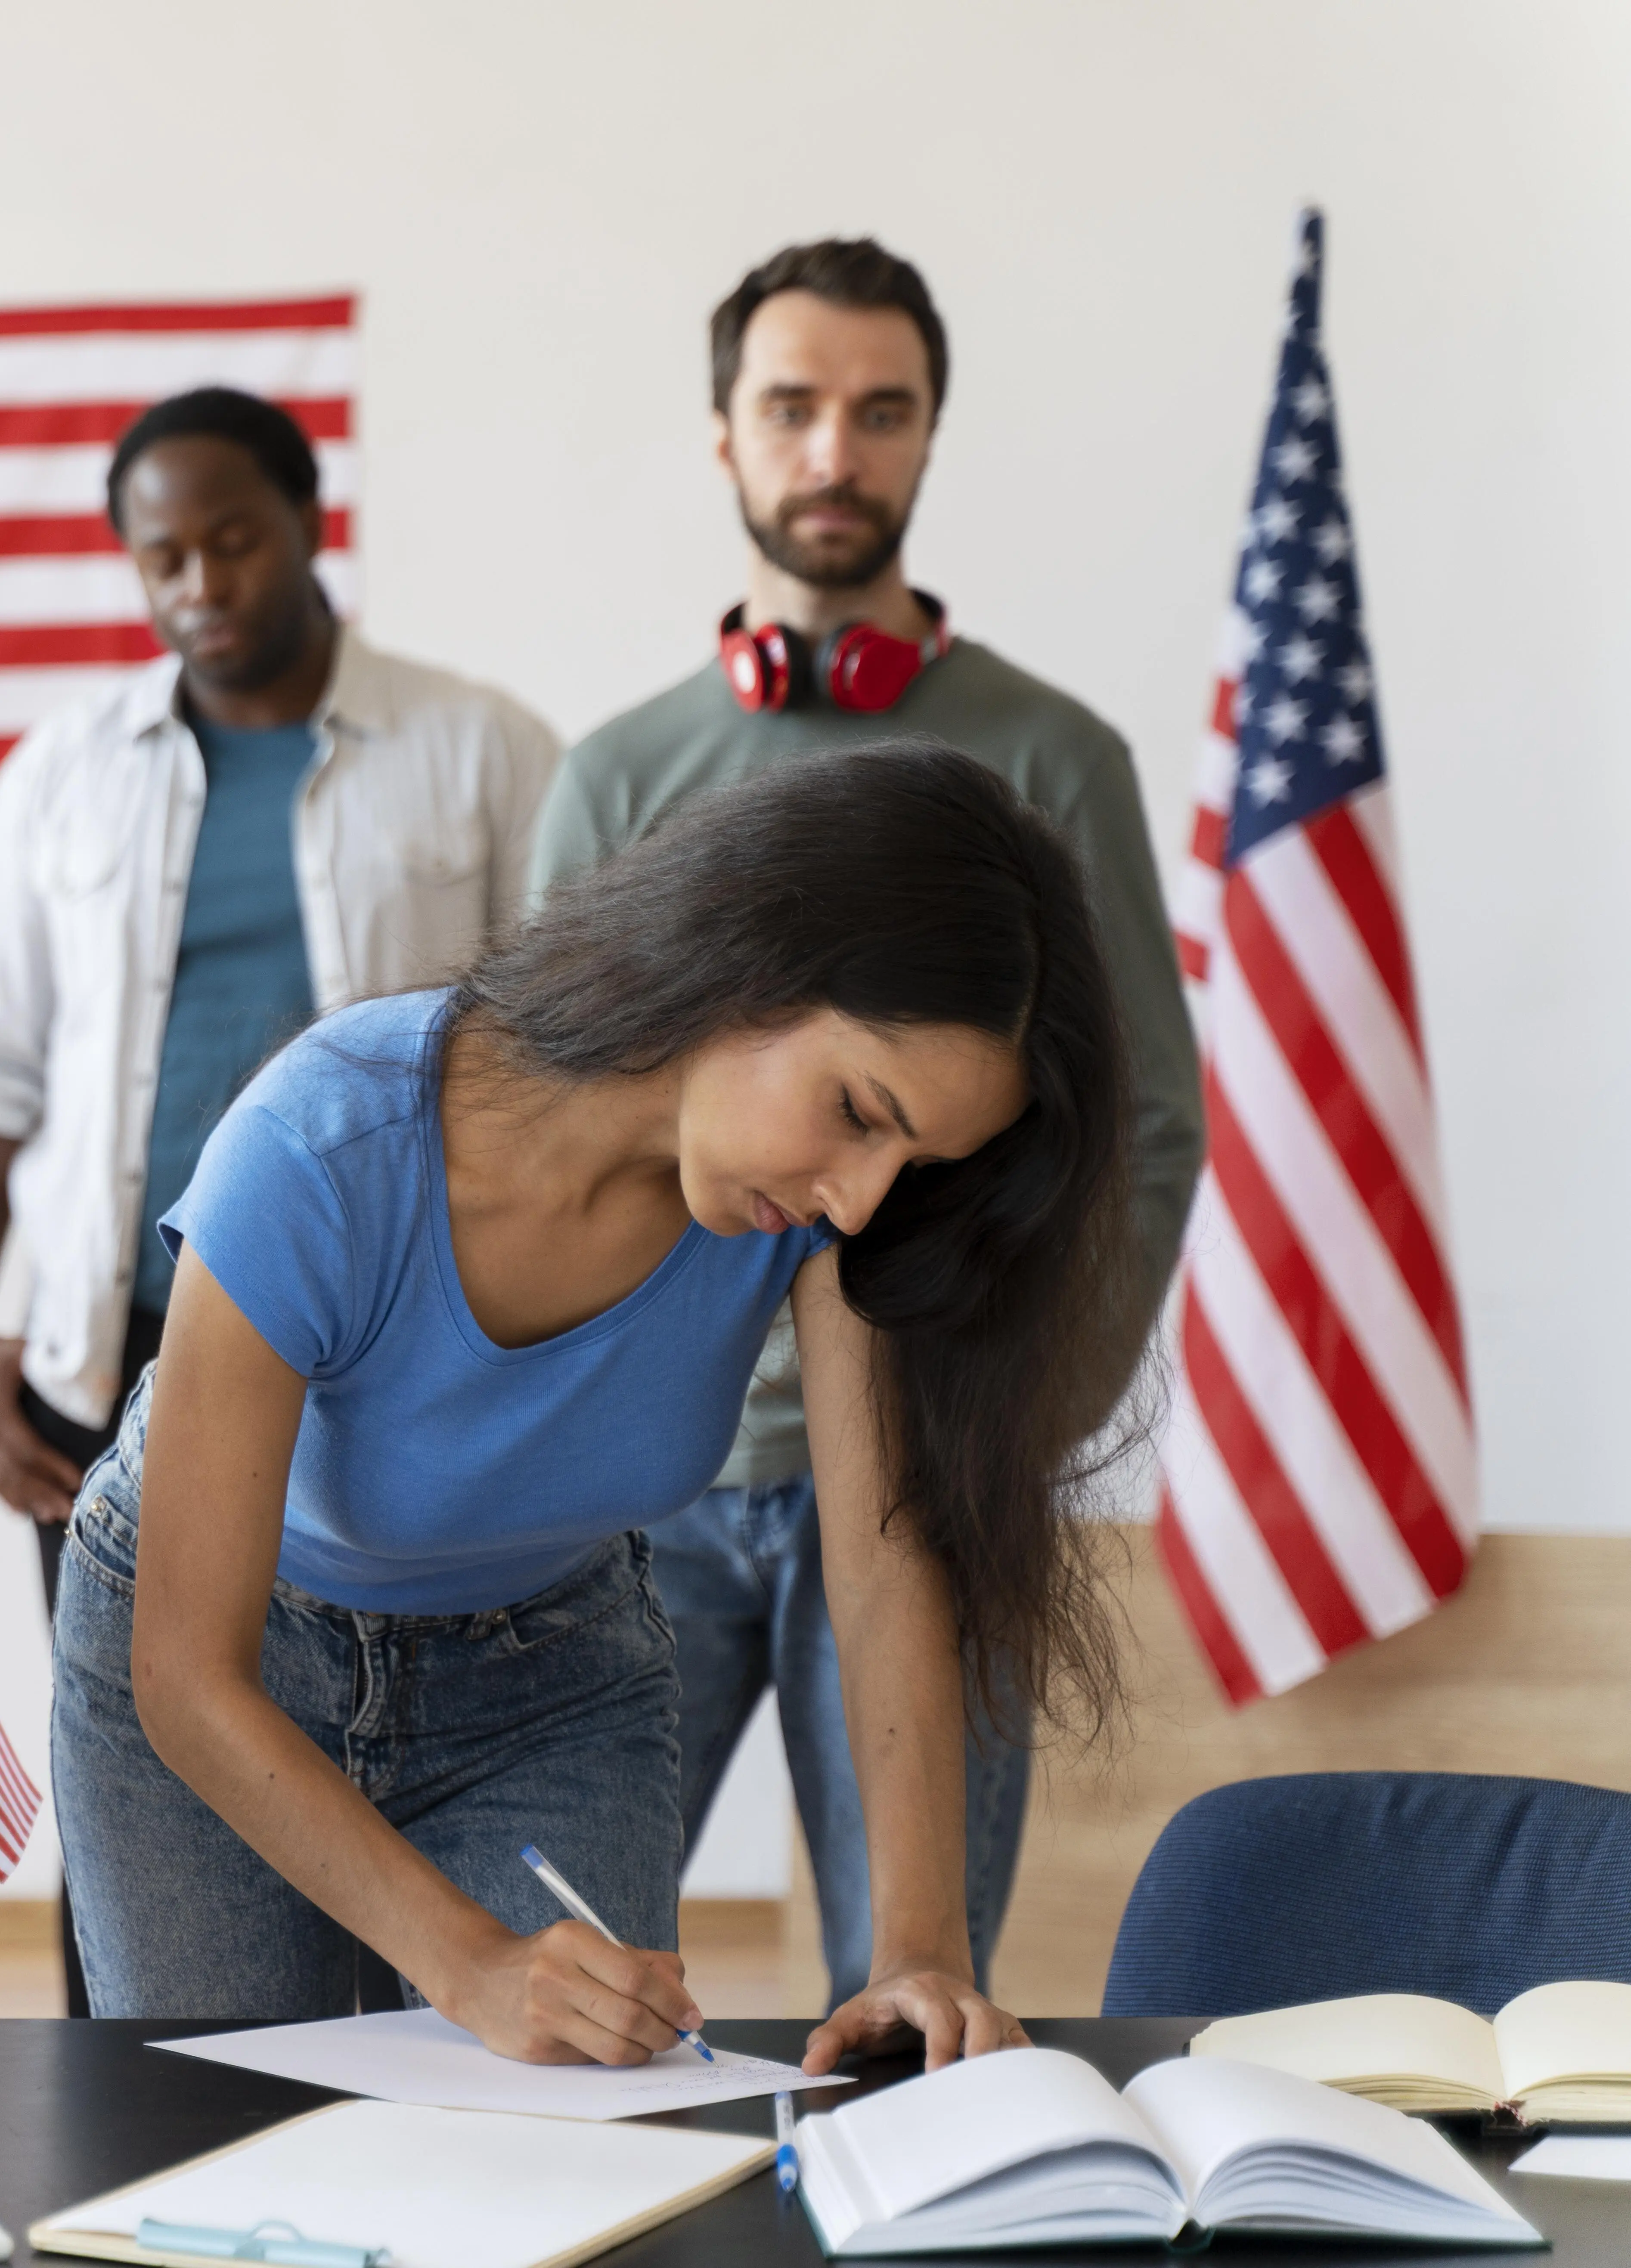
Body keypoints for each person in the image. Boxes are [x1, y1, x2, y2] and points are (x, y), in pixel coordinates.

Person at [56, 743, 1137, 2075]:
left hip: (547, 1672)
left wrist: (917, 1948)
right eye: (859, 1112)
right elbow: (186, 1675)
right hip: (225, 1669)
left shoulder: (814, 1221)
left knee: (566, 2135)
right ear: (746, 960)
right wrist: (467, 1962)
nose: (864, 1200)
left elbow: (878, 1553)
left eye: (914, 1163)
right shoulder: (318, 1148)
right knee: (213, 2139)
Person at [529, 239, 1203, 2010]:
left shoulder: (1056, 758)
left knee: (909, 1993)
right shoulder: (617, 776)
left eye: (881, 411)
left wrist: (1024, 1413)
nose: (835, 451)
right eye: (792, 407)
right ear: (723, 435)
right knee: (566, 1977)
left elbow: (1144, 1125)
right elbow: (557, 1117)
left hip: (930, 1467)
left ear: (928, 437)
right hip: (651, 1496)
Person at [0, 387, 561, 2011]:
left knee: (375, 1740)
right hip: (113, 1352)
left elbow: (569, 1052)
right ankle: (127, 2112)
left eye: (232, 541)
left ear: (306, 524)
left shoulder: (480, 748)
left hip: (391, 1360)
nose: (198, 584)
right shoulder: (64, 773)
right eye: (163, 557)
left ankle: (392, 2078)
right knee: (130, 1757)